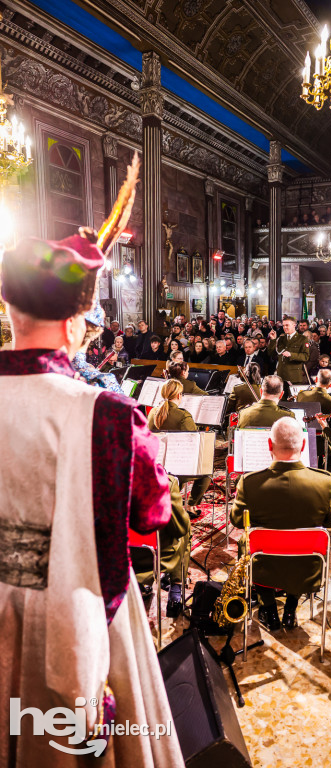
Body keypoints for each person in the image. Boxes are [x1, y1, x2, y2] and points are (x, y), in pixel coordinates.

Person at [0, 214, 184, 761]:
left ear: (9, 309)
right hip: (74, 605)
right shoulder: (105, 413)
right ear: (78, 320)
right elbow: (152, 513)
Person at [231, 418, 331, 629]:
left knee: (248, 542)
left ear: (270, 446)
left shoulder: (250, 482)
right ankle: (290, 609)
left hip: (264, 567)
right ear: (304, 445)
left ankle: (269, 609)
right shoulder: (324, 481)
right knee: (304, 545)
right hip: (308, 567)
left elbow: (236, 520)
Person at [148, 379, 210, 519]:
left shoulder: (152, 412)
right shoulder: (183, 415)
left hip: (155, 464)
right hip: (177, 465)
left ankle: (170, 498)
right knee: (206, 472)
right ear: (179, 395)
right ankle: (191, 505)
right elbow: (194, 443)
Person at [132, 474, 191, 617]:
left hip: (117, 556)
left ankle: (139, 586)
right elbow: (180, 529)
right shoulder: (165, 482)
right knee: (183, 531)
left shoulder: (104, 477)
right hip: (157, 558)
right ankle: (176, 587)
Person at [267, 316, 310, 384]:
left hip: (294, 377)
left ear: (294, 325)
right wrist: (273, 340)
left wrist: (291, 355)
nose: (285, 327)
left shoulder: (302, 339)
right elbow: (271, 353)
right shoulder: (281, 338)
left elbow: (305, 356)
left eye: (287, 325)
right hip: (280, 376)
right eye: (283, 325)